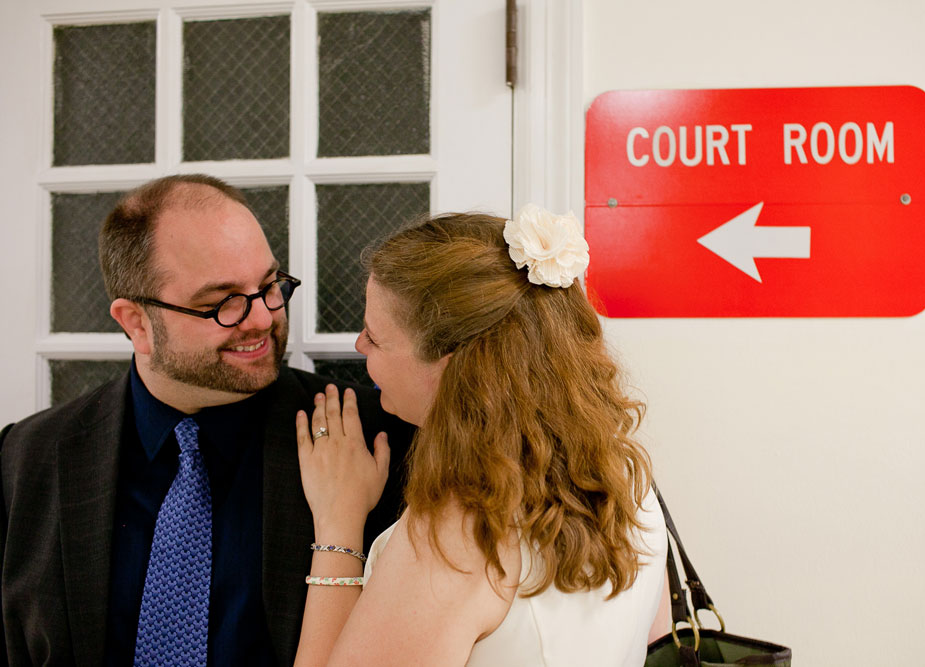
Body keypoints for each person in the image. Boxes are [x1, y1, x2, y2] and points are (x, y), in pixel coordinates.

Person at [0, 174, 413, 666]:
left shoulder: (380, 438)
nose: (261, 319)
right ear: (136, 322)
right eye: (221, 303)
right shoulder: (25, 457)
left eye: (268, 286)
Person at [293, 206, 668, 665]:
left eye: (375, 336)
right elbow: (653, 638)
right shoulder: (628, 482)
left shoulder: (460, 534)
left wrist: (338, 525)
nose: (359, 346)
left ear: (451, 368)